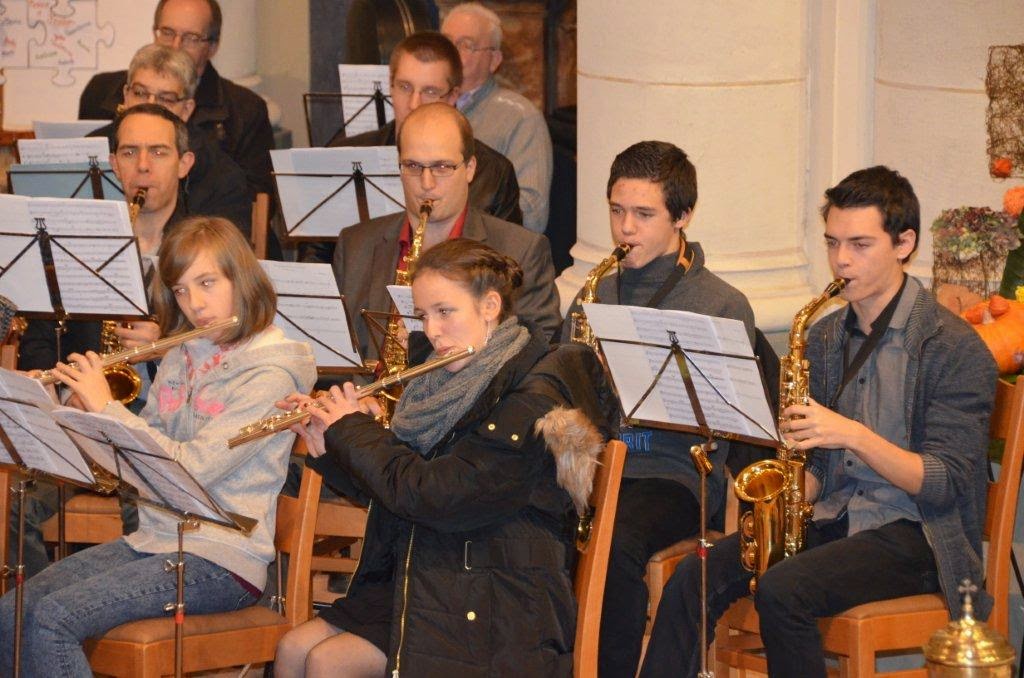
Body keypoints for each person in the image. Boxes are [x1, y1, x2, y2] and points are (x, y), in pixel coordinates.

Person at [639, 166, 997, 678]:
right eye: (832, 243)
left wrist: (850, 433)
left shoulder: (953, 348)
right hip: (838, 517)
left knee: (785, 590)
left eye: (860, 244)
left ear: (905, 243)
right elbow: (822, 470)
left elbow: (946, 485)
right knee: (694, 574)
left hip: (920, 534)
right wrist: (791, 488)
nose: (841, 260)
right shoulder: (825, 338)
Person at [274, 238, 619, 677]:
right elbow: (395, 495)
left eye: (445, 311)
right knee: (292, 648)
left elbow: (437, 495)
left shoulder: (533, 395)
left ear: (490, 306)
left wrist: (354, 431)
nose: (432, 331)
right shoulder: (435, 385)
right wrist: (331, 445)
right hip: (436, 564)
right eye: (422, 315)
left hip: (498, 595)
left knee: (327, 661)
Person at [0, 216, 316, 677]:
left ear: (241, 280)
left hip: (224, 559)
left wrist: (107, 406)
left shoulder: (270, 375)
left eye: (207, 283)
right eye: (182, 290)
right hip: (154, 540)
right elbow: (130, 463)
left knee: (52, 620)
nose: (195, 304)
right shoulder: (180, 356)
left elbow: (193, 470)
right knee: (12, 611)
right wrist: (66, 406)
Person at [558, 140, 756, 677]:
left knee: (614, 543)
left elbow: (737, 421)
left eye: (644, 215)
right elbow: (560, 386)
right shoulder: (596, 291)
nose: (626, 229)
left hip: (675, 476)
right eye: (617, 212)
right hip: (598, 468)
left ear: (683, 215)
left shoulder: (721, 304)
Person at [8, 103, 199, 580]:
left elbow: (234, 346)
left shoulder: (206, 245)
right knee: (12, 510)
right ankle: (35, 624)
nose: (143, 166)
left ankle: (128, 622)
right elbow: (43, 333)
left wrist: (168, 341)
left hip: (164, 431)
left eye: (158, 152)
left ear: (184, 163)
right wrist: (57, 384)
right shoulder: (79, 243)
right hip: (84, 424)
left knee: (148, 515)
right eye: (129, 152)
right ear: (113, 163)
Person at [333, 102, 561, 358]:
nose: (426, 184)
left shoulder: (522, 250)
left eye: (442, 167)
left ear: (470, 169)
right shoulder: (355, 244)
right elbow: (340, 357)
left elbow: (538, 354)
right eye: (413, 166)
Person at [302, 31, 522, 266]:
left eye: (429, 91)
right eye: (405, 87)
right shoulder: (343, 156)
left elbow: (506, 263)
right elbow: (315, 255)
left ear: (453, 96)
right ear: (391, 87)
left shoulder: (495, 172)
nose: (414, 103)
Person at [78, 0, 274, 199]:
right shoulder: (101, 91)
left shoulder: (245, 109)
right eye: (168, 32)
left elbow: (256, 199)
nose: (176, 45)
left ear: (213, 46)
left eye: (191, 37)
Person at [89, 44, 252, 237]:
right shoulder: (91, 149)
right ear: (125, 96)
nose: (149, 106)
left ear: (187, 110)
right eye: (140, 93)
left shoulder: (222, 177)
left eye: (165, 99)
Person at [443, 2, 553, 233]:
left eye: (466, 45)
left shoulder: (520, 118)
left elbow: (532, 216)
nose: (451, 53)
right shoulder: (422, 106)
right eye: (446, 42)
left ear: (494, 60)